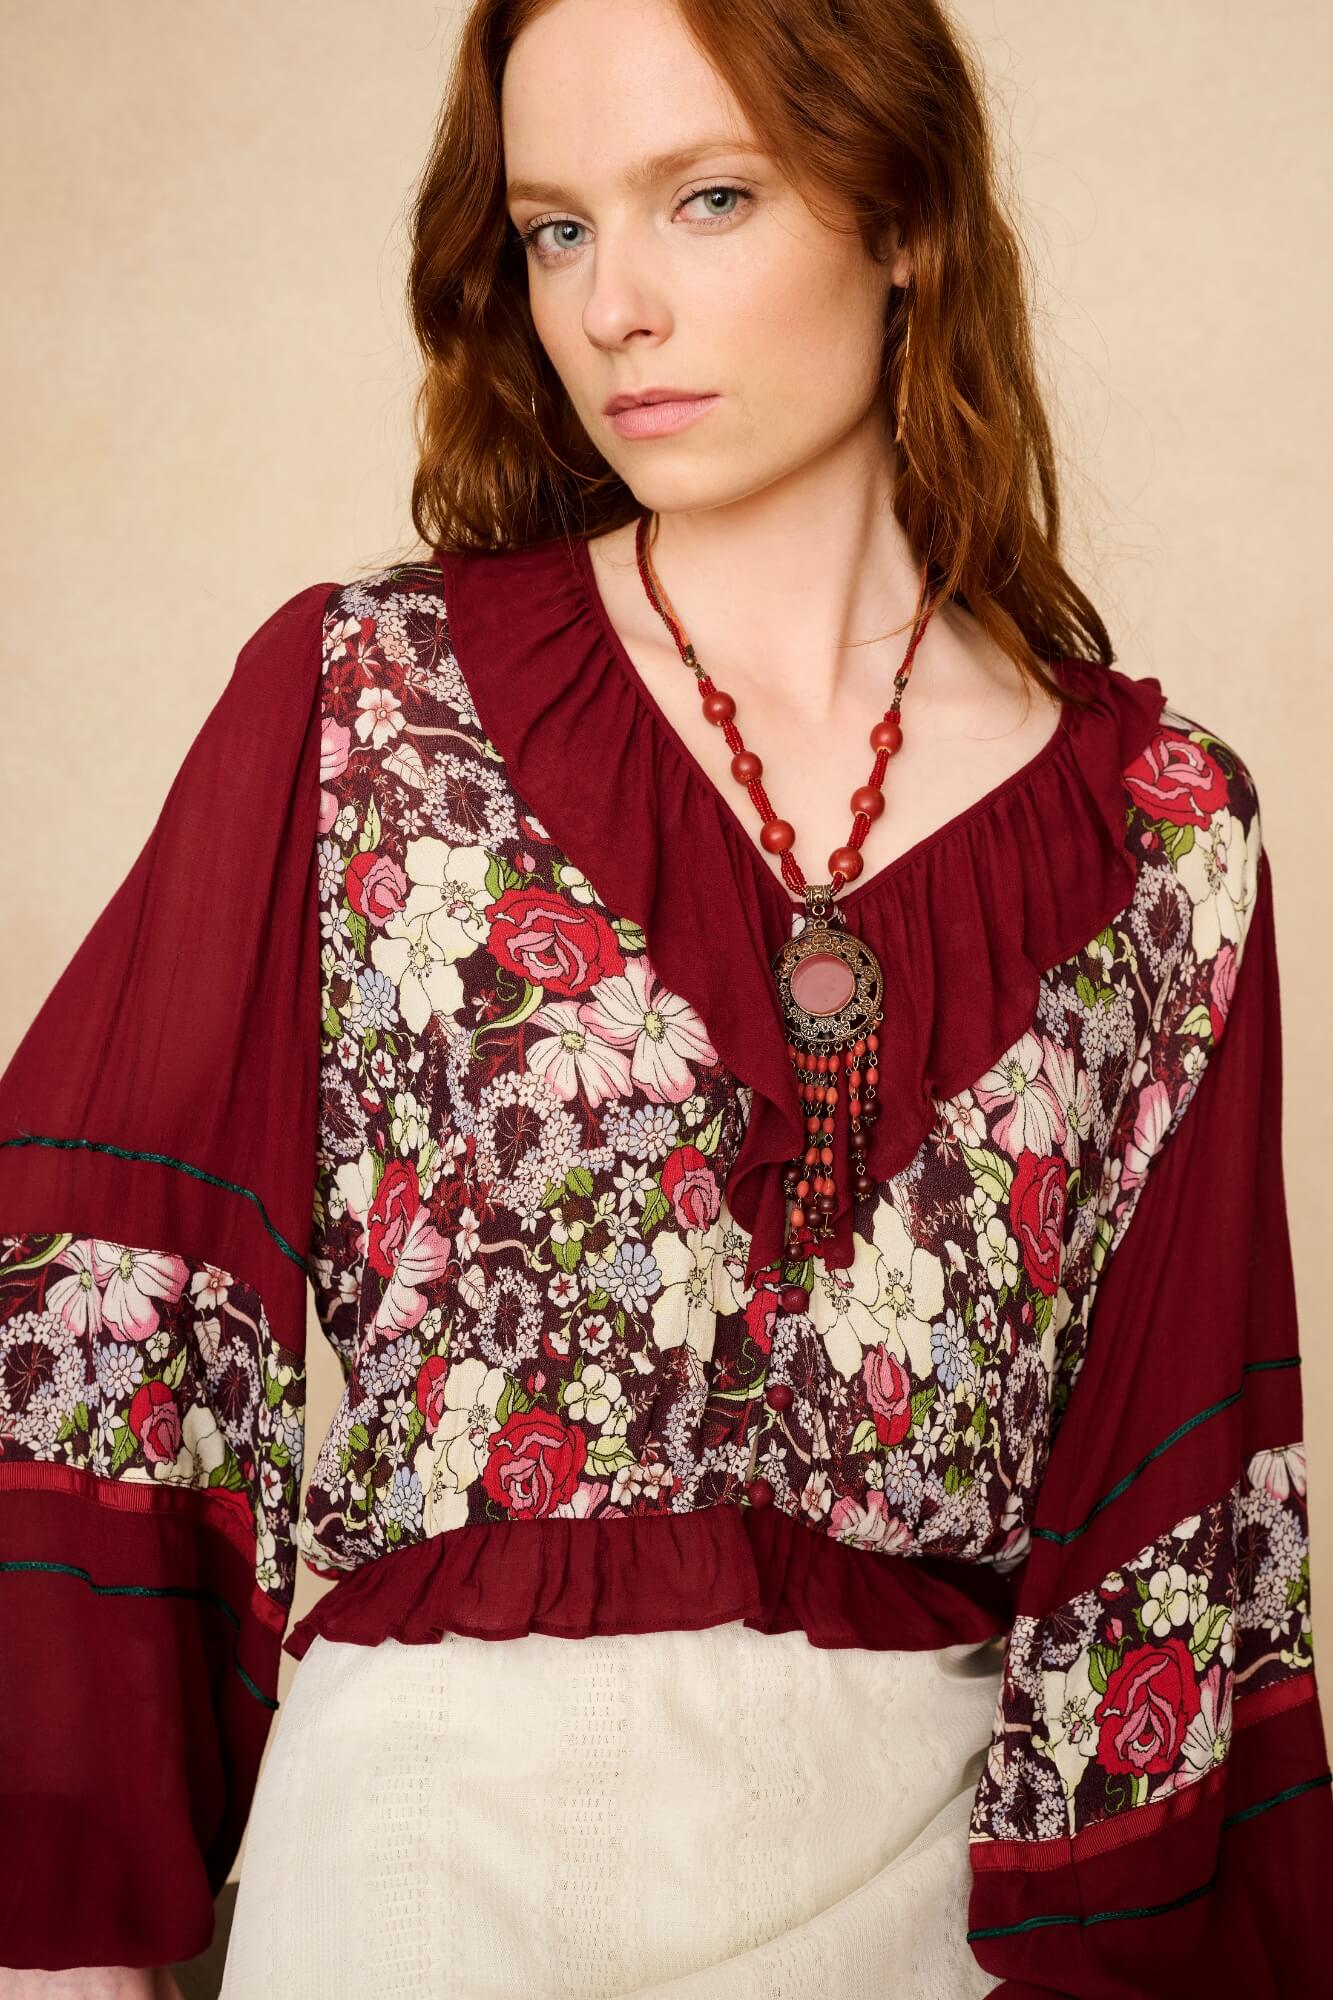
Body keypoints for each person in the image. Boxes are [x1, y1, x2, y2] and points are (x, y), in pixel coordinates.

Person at [2, 0, 1329, 1995]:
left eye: (706, 199)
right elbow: (112, 1314)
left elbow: (1176, 1525)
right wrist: (60, 1947)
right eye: (556, 229)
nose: (612, 306)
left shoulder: (1164, 838)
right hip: (418, 1885)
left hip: (918, 1912)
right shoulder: (368, 709)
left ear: (903, 219)